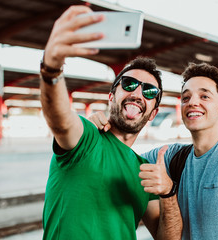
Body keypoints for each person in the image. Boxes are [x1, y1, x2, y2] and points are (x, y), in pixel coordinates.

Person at [91, 62, 218, 239]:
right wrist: (96, 129)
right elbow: (124, 156)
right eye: (186, 97)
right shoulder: (172, 157)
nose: (192, 102)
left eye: (204, 96)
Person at [39, 5, 182, 240]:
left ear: (153, 113)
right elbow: (60, 120)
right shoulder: (86, 137)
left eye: (149, 91)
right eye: (128, 84)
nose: (137, 93)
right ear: (111, 96)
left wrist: (169, 191)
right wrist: (51, 70)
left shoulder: (143, 169)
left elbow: (169, 238)